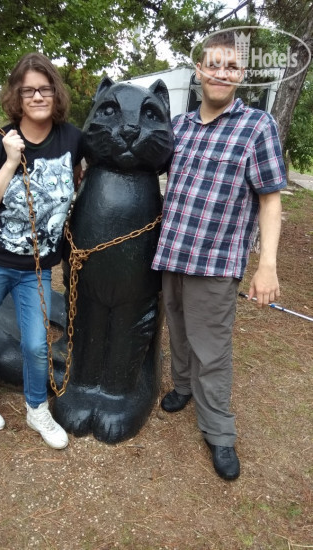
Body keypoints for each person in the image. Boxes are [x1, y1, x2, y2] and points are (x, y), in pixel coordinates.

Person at [152, 32, 286, 480]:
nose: (221, 73)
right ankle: (183, 387)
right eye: (214, 65)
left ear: (241, 75)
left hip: (215, 262)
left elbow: (270, 200)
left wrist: (267, 266)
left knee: (211, 350)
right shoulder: (179, 127)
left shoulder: (257, 127)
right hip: (171, 253)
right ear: (200, 71)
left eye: (231, 67)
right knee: (177, 331)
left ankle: (219, 432)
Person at [0, 52, 83, 449]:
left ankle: (37, 409)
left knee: (35, 344)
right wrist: (11, 161)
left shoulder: (72, 138)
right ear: (17, 95)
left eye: (45, 89)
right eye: (28, 90)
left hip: (38, 268)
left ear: (55, 92)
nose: (37, 96)